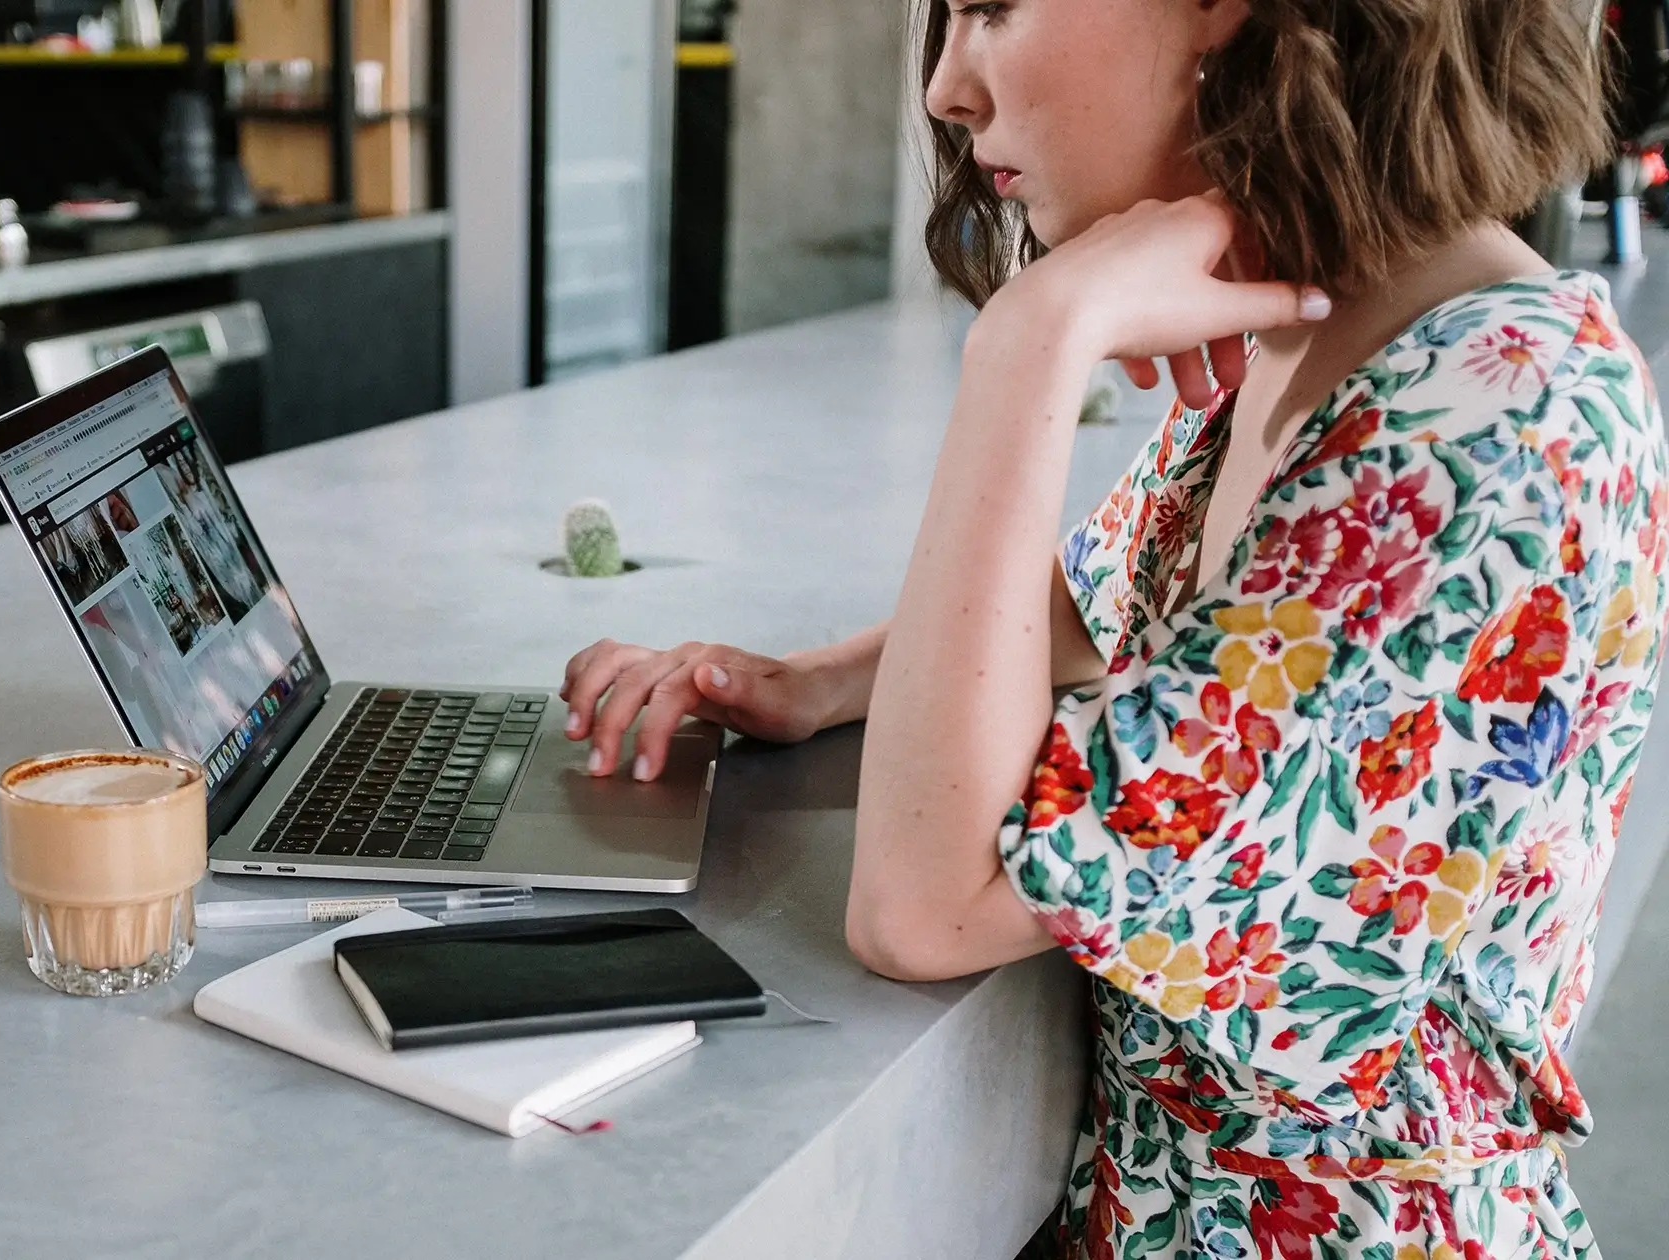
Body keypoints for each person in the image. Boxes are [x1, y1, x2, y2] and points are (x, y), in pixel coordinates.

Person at [558, 1, 1665, 1255]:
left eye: (991, 7)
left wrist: (1031, 345)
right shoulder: (1344, 326)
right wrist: (806, 684)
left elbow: (926, 909)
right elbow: (1107, 607)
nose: (946, 89)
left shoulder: (1489, 420)